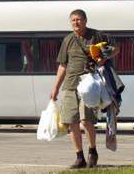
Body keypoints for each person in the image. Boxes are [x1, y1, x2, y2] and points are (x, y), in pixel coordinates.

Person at [50, 9, 111, 169]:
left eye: (79, 19)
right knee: (72, 122)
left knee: (87, 120)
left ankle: (92, 152)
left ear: (85, 20)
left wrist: (103, 58)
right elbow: (63, 65)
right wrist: (55, 87)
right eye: (73, 20)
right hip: (70, 85)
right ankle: (79, 157)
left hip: (89, 84)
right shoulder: (68, 39)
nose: (76, 22)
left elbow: (114, 49)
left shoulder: (97, 35)